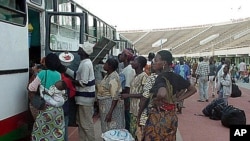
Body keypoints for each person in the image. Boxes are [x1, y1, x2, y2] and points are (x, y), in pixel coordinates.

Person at [142, 50, 197, 140]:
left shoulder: (161, 77)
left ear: (164, 63)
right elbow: (193, 89)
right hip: (172, 116)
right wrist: (178, 99)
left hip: (159, 117)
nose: (153, 63)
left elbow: (162, 93)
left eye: (156, 60)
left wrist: (156, 100)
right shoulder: (176, 76)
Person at [62, 42, 96, 141]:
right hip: (83, 99)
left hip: (85, 99)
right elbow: (77, 75)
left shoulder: (86, 64)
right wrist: (65, 69)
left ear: (83, 52)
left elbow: (83, 82)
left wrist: (70, 81)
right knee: (82, 123)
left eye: (80, 49)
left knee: (86, 124)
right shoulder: (85, 63)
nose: (78, 50)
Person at [28, 53, 65, 141]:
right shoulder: (58, 74)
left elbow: (31, 88)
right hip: (57, 110)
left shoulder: (42, 73)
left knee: (40, 134)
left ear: (46, 63)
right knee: (56, 133)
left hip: (45, 108)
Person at [121, 56, 148, 140]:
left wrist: (128, 95)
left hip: (139, 110)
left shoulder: (144, 77)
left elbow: (145, 94)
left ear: (139, 64)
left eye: (134, 61)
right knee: (133, 132)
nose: (132, 62)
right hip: (133, 109)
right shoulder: (135, 75)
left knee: (139, 134)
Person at [96, 58, 125, 133]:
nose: (104, 65)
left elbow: (115, 96)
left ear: (110, 66)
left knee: (112, 129)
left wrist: (110, 113)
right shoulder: (108, 75)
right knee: (106, 128)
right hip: (106, 106)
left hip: (110, 107)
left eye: (106, 64)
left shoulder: (113, 77)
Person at [119, 48, 136, 131]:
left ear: (126, 57)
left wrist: (126, 102)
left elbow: (128, 87)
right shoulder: (125, 69)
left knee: (128, 119)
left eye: (122, 54)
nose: (120, 55)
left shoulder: (128, 70)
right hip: (125, 97)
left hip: (127, 98)